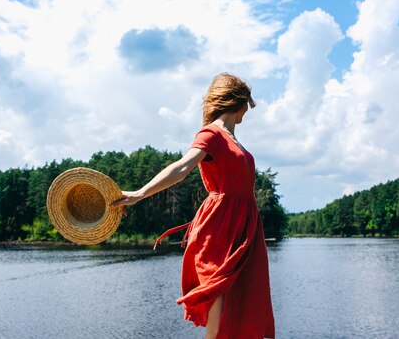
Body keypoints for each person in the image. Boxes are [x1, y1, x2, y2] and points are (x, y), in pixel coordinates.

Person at [110, 73, 275, 339]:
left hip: (245, 226)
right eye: (248, 104)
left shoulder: (233, 139)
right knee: (218, 294)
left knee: (247, 297)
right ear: (239, 101)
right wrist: (140, 193)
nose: (248, 110)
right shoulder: (212, 134)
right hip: (221, 225)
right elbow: (182, 167)